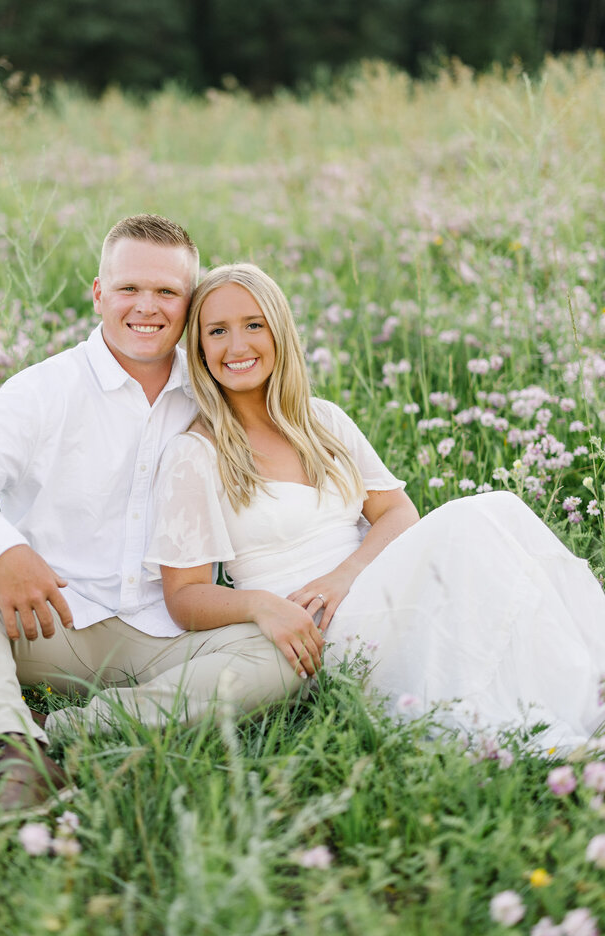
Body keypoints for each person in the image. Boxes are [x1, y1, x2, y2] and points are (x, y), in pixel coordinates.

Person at [0, 218, 304, 813]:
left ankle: (63, 730)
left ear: (189, 305)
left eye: (168, 292)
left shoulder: (212, 389)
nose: (147, 307)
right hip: (47, 621)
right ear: (98, 294)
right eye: (129, 290)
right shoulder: (49, 388)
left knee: (281, 655)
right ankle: (6, 750)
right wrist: (3, 551)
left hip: (165, 633)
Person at [146, 262, 605, 752]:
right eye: (217, 331)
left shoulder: (322, 421)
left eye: (253, 325)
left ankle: (578, 693)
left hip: (373, 581)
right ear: (198, 350)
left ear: (279, 331)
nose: (237, 346)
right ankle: (551, 719)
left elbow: (397, 512)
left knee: (501, 515)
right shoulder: (195, 454)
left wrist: (347, 575)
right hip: (323, 626)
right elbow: (185, 597)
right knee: (473, 517)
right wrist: (262, 606)